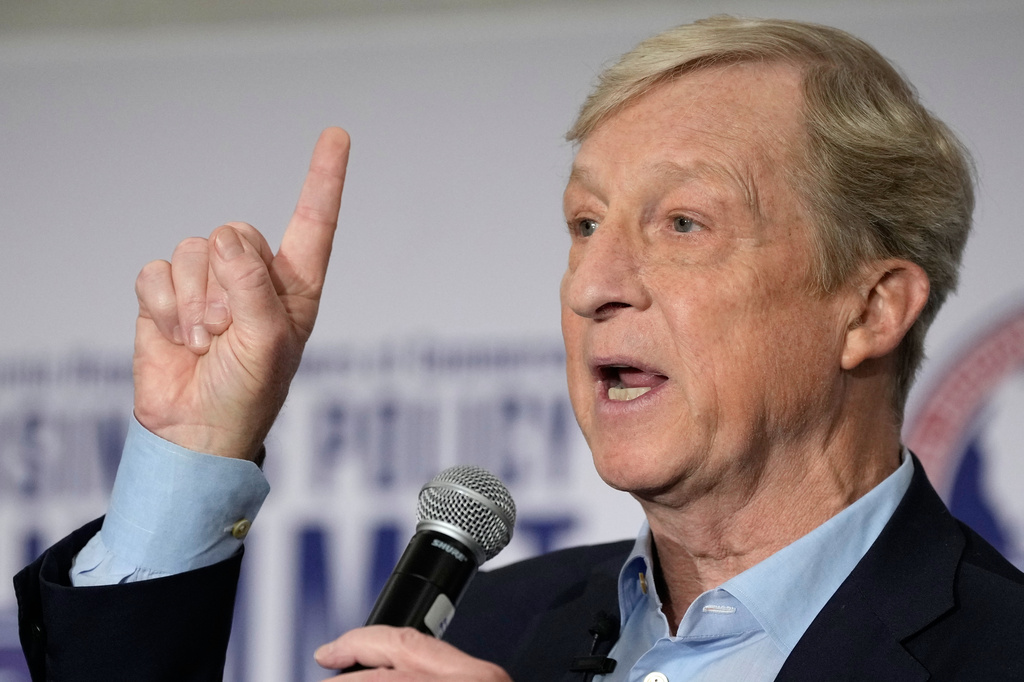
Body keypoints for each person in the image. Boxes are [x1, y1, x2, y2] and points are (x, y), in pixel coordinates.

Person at [15, 15, 1024, 682]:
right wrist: (194, 456)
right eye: (584, 226)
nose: (593, 285)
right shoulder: (481, 624)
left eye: (681, 224)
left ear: (871, 308)